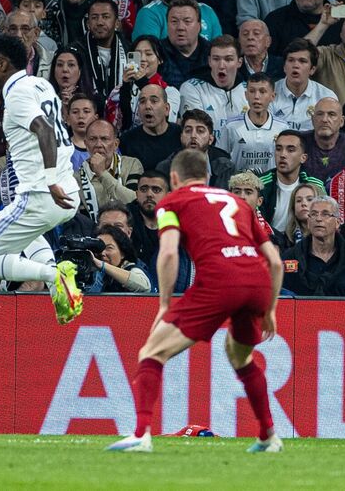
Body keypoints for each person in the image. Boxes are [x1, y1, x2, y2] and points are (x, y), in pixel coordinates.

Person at [106, 148, 284, 453]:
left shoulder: (172, 202)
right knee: (240, 356)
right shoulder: (238, 203)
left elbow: (170, 252)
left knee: (152, 352)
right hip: (256, 281)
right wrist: (270, 309)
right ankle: (269, 436)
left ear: (174, 179)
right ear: (209, 177)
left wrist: (164, 304)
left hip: (219, 280)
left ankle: (140, 434)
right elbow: (275, 261)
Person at [0, 34, 84, 321]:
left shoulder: (17, 94)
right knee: (28, 234)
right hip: (69, 193)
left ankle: (55, 276)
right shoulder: (41, 84)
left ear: (3, 65)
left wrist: (50, 179)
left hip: (42, 195)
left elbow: (44, 130)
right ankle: (61, 291)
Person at [280, 195, 345, 297]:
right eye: (313, 214)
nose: (318, 219)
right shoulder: (290, 258)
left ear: (337, 222)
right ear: (309, 222)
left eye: (325, 214)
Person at [178, 34, 247, 144]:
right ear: (209, 61)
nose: (221, 65)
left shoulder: (249, 90)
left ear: (239, 62)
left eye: (228, 59)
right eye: (216, 59)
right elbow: (196, 135)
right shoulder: (192, 88)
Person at [258, 130, 325, 233]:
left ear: (303, 158)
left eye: (290, 150)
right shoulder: (260, 184)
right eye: (278, 149)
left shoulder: (315, 185)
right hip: (270, 243)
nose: (283, 155)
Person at [220, 72, 287, 172]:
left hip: (270, 185)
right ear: (246, 95)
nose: (256, 96)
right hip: (239, 186)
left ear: (273, 96)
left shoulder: (282, 128)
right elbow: (221, 161)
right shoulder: (231, 127)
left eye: (262, 91)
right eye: (252, 91)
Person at [270, 39, 337, 132]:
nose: (296, 65)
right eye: (291, 60)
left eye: (302, 61)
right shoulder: (269, 92)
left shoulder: (326, 96)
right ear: (284, 67)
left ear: (312, 69)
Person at [120, 84, 182, 171]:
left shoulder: (180, 135)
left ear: (166, 109)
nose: (147, 106)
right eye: (142, 101)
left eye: (154, 101)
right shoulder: (126, 141)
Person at [301, 97, 345, 183]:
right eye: (320, 114)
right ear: (312, 119)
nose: (324, 120)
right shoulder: (299, 142)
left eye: (331, 114)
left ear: (341, 121)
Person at [89, 224, 151, 293]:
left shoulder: (132, 269)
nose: (102, 253)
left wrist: (102, 265)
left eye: (109, 248)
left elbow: (145, 287)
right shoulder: (97, 274)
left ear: (122, 253)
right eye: (99, 248)